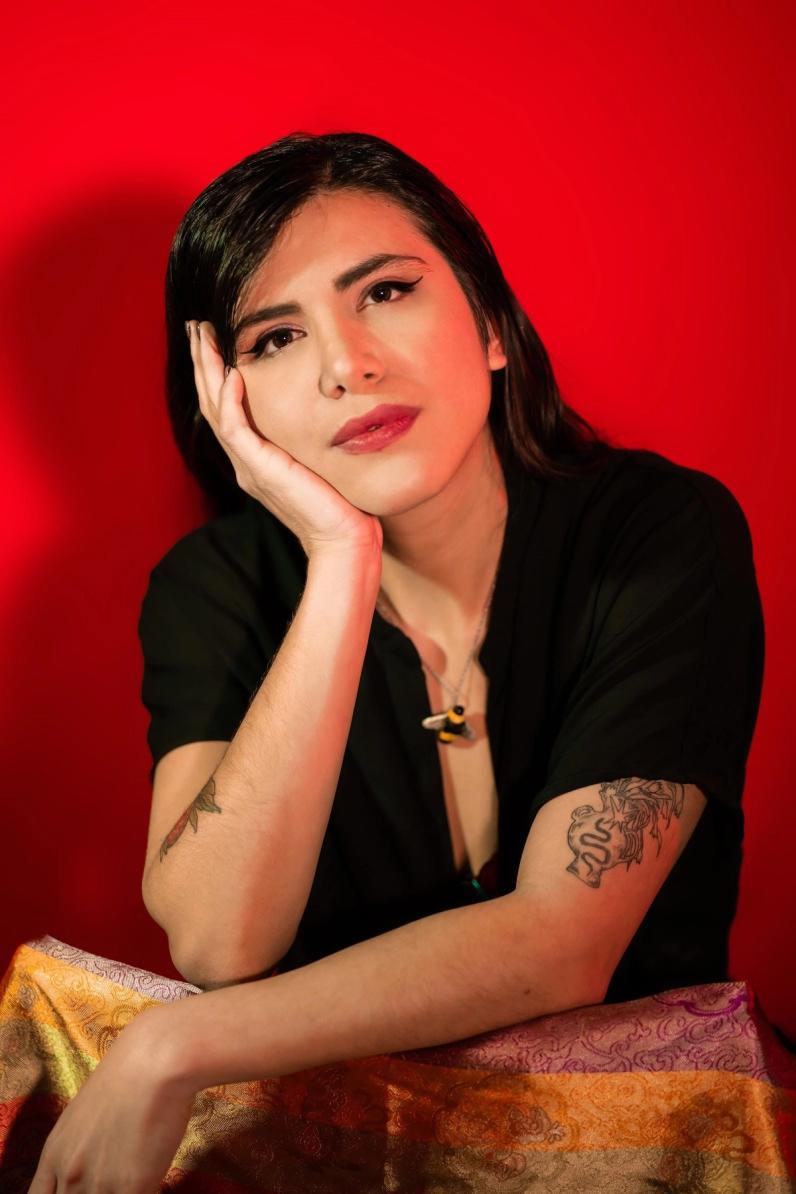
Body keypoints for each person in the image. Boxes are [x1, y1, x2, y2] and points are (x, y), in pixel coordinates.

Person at [29, 130, 764, 1190]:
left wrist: (170, 1045)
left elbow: (563, 943)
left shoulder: (657, 533)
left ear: (493, 324)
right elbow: (220, 943)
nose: (347, 365)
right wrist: (341, 556)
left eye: (385, 291)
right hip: (332, 1155)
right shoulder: (214, 587)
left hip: (626, 1154)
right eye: (275, 338)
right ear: (226, 397)